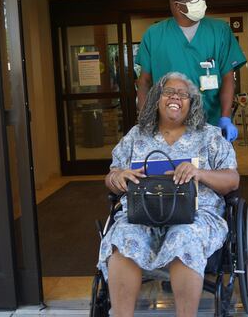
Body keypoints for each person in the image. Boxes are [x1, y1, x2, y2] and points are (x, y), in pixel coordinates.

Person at [98, 72, 239, 317]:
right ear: (156, 99)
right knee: (123, 235)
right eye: (168, 92)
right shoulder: (136, 135)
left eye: (183, 94)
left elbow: (232, 180)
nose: (175, 97)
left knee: (184, 236)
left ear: (192, 102)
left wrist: (199, 173)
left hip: (196, 216)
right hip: (142, 214)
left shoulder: (209, 136)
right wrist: (117, 177)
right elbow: (110, 177)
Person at [135, 0, 247, 142]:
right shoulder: (154, 35)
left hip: (212, 126)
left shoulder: (220, 31)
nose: (201, 0)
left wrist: (225, 118)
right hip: (168, 129)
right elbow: (144, 82)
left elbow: (228, 78)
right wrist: (146, 120)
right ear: (176, 4)